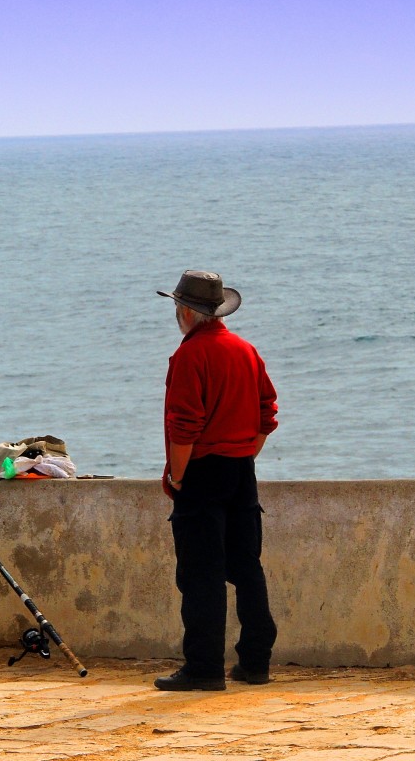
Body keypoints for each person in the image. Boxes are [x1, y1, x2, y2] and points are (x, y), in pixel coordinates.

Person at [153, 269, 279, 691]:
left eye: (176, 306)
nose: (175, 313)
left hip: (203, 472)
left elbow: (184, 426)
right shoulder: (246, 350)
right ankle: (256, 662)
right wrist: (244, 455)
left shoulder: (190, 356)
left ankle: (204, 668)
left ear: (187, 312)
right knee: (246, 567)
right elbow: (267, 413)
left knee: (200, 574)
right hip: (242, 470)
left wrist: (177, 475)